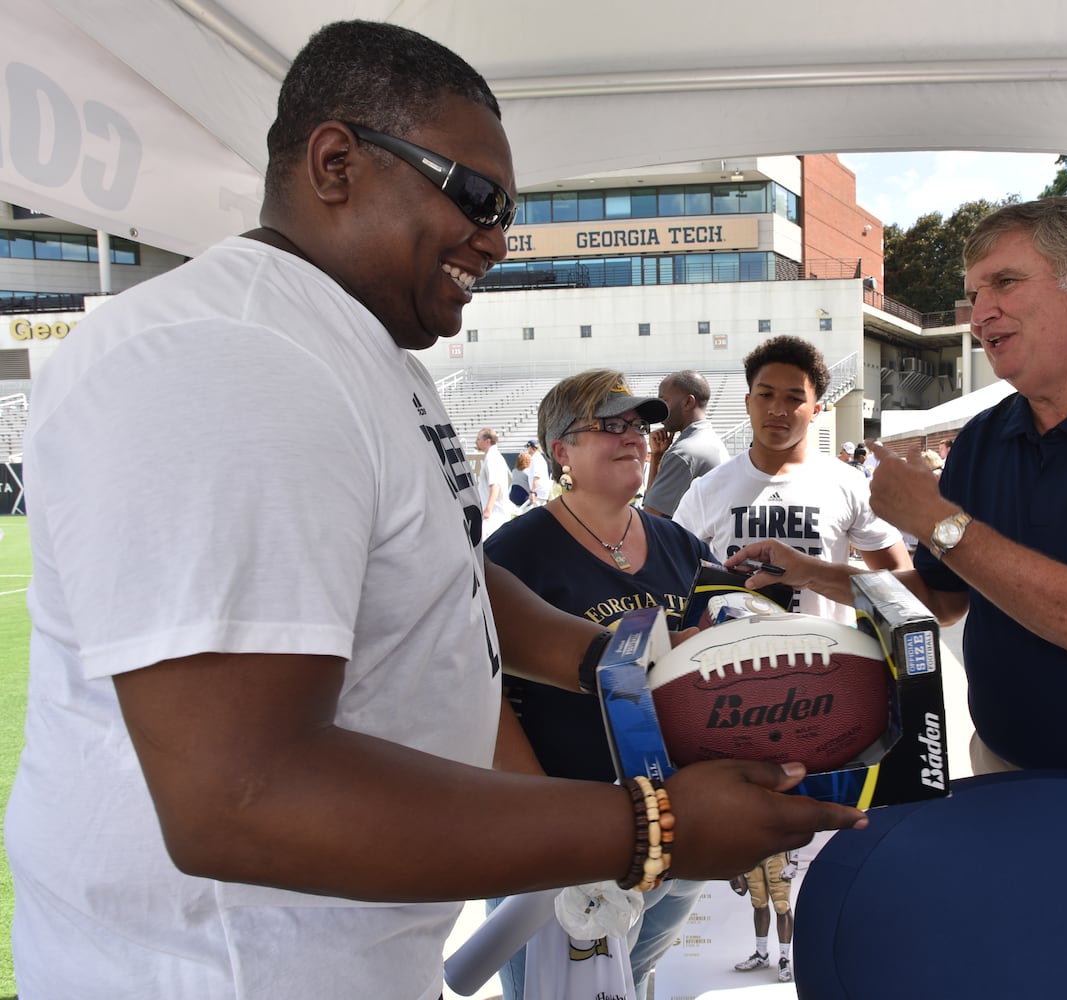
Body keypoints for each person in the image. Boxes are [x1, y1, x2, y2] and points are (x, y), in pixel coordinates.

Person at [4, 21, 866, 999]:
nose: (497, 239)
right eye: (477, 198)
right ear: (336, 163)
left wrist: (619, 657)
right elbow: (238, 797)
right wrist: (651, 828)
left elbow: (439, 573)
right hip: (224, 972)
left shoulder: (360, 352)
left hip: (341, 954)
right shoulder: (226, 356)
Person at [728, 197, 1067, 782]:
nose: (980, 314)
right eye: (975, 294)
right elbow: (942, 598)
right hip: (1005, 769)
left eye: (1004, 282)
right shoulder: (983, 439)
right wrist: (808, 572)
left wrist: (936, 520)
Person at [483, 369, 717, 1000]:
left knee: (634, 981)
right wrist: (538, 817)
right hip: (560, 831)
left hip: (670, 826)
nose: (634, 438)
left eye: (640, 426)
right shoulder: (515, 553)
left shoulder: (679, 546)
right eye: (610, 426)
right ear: (561, 451)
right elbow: (483, 695)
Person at [672, 335, 910, 625]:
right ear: (748, 402)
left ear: (816, 411)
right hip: (737, 661)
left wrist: (820, 578)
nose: (777, 409)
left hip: (830, 660)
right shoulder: (706, 489)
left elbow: (900, 585)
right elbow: (672, 583)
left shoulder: (849, 483)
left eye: (794, 398)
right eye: (766, 394)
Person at [643, 369, 729, 518]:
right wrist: (657, 456)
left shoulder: (683, 453)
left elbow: (650, 521)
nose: (660, 409)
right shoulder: (710, 441)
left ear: (688, 402)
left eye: (664, 401)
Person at [730, 851, 798, 983]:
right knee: (759, 904)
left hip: (776, 853)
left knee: (781, 906)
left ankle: (784, 959)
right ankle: (761, 954)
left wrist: (794, 861)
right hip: (753, 854)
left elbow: (794, 829)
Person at [475, 426, 513, 539]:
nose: (476, 442)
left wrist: (488, 510)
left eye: (478, 439)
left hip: (494, 515)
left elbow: (495, 486)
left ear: (487, 441)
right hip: (495, 514)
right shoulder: (493, 457)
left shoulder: (492, 458)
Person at [524, 437, 551, 504]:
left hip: (538, 493)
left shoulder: (536, 459)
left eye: (528, 447)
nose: (527, 449)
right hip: (539, 493)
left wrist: (533, 492)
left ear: (530, 447)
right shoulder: (536, 458)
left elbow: (537, 477)